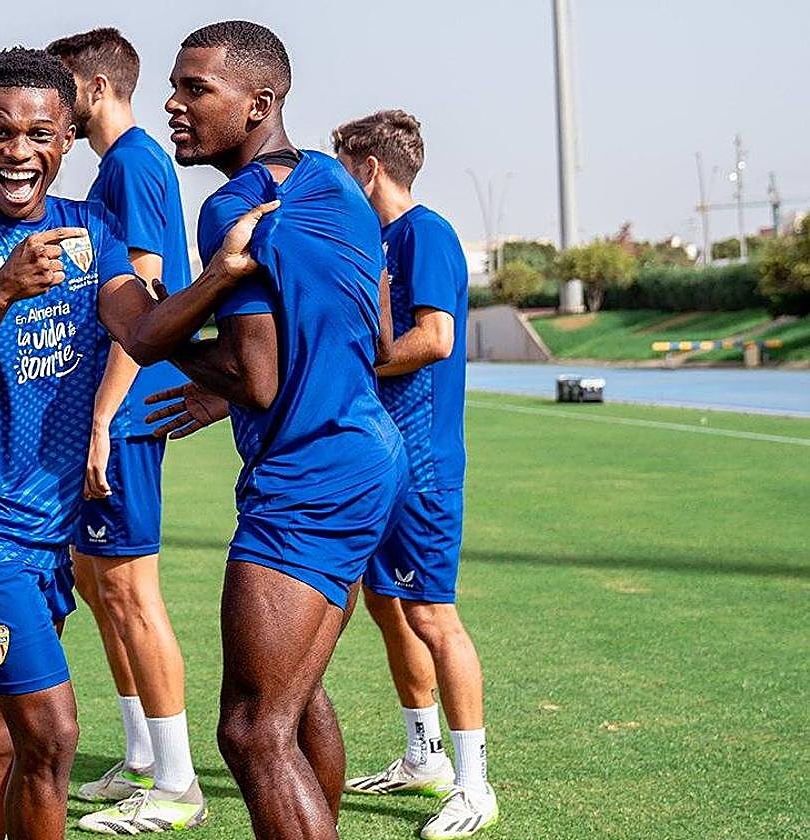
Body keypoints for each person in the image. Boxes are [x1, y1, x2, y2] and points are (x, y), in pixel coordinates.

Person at [0, 46, 271, 840]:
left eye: (38, 134)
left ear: (66, 139)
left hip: (44, 526)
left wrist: (219, 276)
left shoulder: (91, 229)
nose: (18, 151)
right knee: (52, 733)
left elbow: (142, 331)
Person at [140, 21, 405, 840]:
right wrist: (240, 385)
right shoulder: (334, 182)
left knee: (251, 731)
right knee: (294, 697)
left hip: (309, 473)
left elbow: (255, 376)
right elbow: (378, 338)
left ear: (258, 104)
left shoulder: (234, 207)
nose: (173, 104)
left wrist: (155, 327)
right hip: (366, 451)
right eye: (174, 87)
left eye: (195, 89)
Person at [45, 28, 200, 818]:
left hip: (128, 409)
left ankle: (177, 783)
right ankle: (142, 758)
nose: (51, 107)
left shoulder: (136, 163)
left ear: (97, 88)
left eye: (60, 89)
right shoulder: (117, 167)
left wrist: (104, 415)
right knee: (98, 582)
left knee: (132, 591)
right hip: (110, 407)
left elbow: (144, 299)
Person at [333, 109, 498, 838]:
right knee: (386, 603)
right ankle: (422, 754)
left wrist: (359, 364)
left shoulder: (425, 233)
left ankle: (474, 785)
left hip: (423, 462)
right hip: (382, 458)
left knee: (432, 614)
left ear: (369, 169)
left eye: (345, 170)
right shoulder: (374, 239)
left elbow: (433, 339)